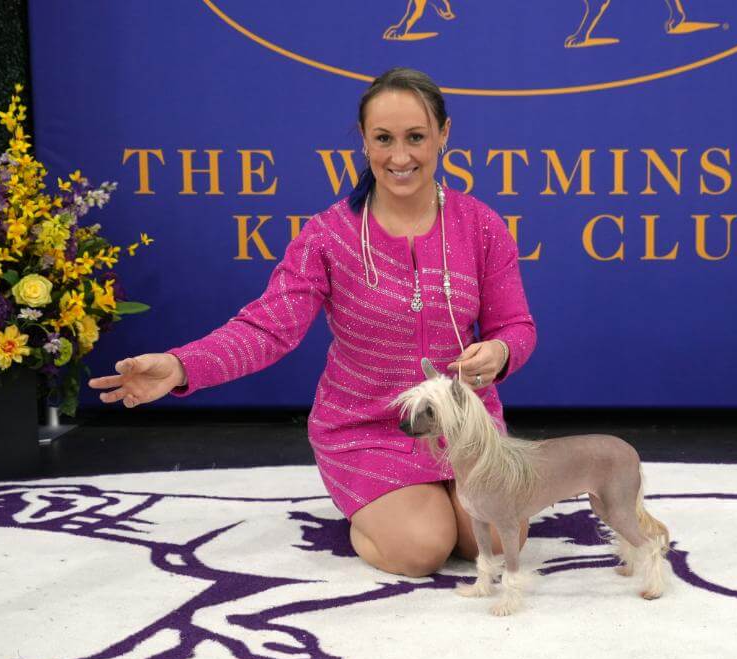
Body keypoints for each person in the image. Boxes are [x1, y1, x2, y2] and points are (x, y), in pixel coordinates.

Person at [89, 67, 536, 578]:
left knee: (497, 543)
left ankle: (433, 496)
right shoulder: (328, 236)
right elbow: (266, 328)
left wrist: (500, 354)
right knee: (421, 550)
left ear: (444, 134)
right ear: (364, 143)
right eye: (383, 139)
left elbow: (516, 327)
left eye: (416, 137)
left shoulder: (481, 225)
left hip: (464, 424)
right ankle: (379, 509)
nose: (400, 156)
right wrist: (181, 365)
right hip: (367, 425)